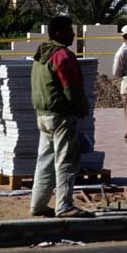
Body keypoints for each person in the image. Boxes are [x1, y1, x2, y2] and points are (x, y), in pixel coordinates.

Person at [29, 16, 92, 218]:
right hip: (61, 115)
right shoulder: (63, 56)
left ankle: (37, 205)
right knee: (66, 160)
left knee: (45, 161)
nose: (73, 34)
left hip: (43, 115)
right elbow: (71, 88)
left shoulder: (41, 55)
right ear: (58, 33)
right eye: (69, 30)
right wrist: (82, 107)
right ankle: (64, 205)